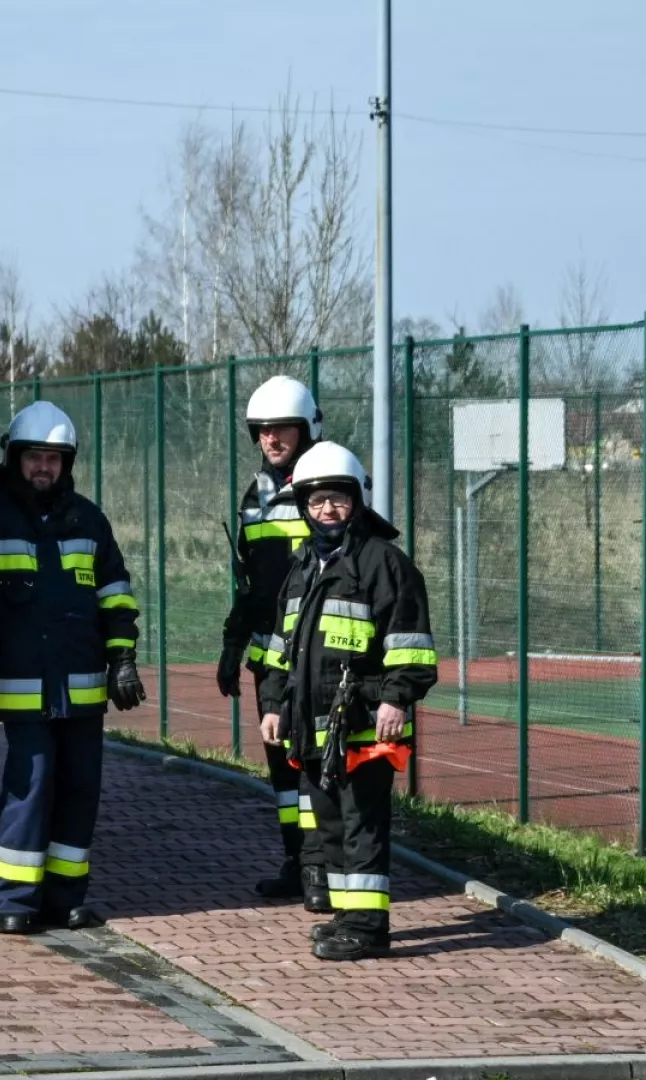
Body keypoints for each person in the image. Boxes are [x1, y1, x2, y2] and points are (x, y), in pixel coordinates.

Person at [0, 400, 146, 935]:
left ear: (67, 463)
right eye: (34, 457)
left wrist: (123, 658)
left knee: (79, 789)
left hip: (83, 682)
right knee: (32, 784)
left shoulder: (88, 518)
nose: (44, 467)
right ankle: (14, 901)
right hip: (21, 679)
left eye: (54, 458)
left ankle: (65, 899)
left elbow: (115, 593)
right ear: (15, 458)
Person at [257, 443, 438, 961]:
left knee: (363, 824)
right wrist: (273, 704)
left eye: (337, 499)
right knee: (329, 822)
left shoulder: (384, 564)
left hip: (365, 722)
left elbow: (411, 644)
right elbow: (280, 648)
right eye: (317, 503)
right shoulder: (301, 568)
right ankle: (345, 916)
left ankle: (367, 928)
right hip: (312, 726)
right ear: (304, 508)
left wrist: (396, 701)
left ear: (356, 501)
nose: (327, 511)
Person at [216, 375, 331, 910]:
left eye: (281, 428)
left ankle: (323, 868)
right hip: (270, 662)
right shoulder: (254, 496)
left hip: (320, 659)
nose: (271, 438)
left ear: (306, 428)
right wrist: (232, 643)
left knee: (317, 765)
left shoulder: (332, 486)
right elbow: (251, 583)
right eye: (261, 430)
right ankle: (298, 860)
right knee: (283, 774)